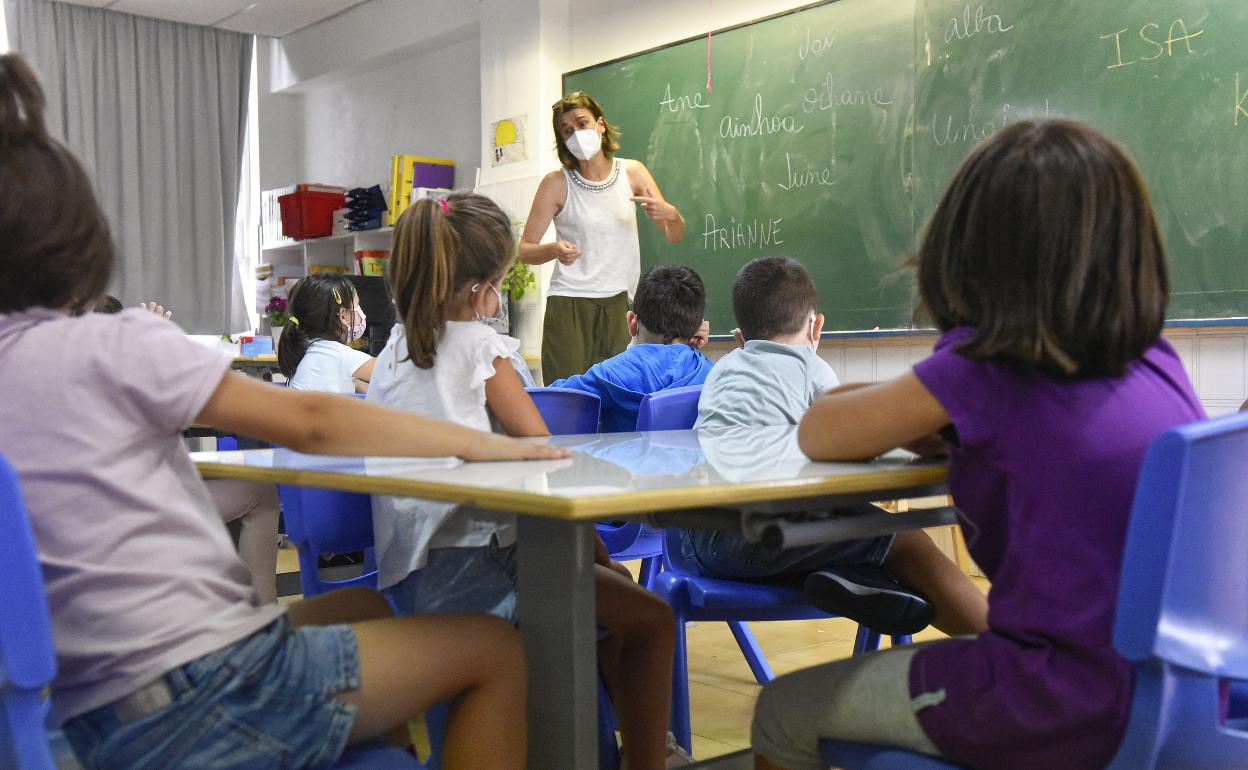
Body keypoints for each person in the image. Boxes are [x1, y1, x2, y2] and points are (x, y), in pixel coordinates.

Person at [0, 53, 569, 769]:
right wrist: (479, 445)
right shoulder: (114, 343)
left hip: (88, 723)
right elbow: (313, 423)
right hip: (217, 691)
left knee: (360, 611)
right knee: (493, 650)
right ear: (78, 243)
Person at [750, 120, 1206, 770]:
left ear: (968, 253)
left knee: (781, 712)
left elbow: (819, 428)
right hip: (1183, 690)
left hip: (1056, 703)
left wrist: (928, 409)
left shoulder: (985, 368)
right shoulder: (1155, 359)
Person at [370, 192, 684, 769]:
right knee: (649, 619)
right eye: (499, 284)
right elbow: (548, 464)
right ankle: (650, 761)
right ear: (479, 291)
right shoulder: (481, 350)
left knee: (611, 609)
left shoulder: (390, 355)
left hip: (412, 575)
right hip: (485, 572)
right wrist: (603, 560)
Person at [687, 256, 988, 636]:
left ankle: (851, 576)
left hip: (691, 535)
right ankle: (1008, 658)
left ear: (738, 338)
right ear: (816, 324)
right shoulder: (812, 370)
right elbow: (851, 444)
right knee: (902, 539)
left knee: (847, 534)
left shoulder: (723, 368)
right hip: (753, 535)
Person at [95, 296, 282, 603]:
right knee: (260, 493)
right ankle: (263, 613)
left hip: (97, 516)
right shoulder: (114, 381)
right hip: (129, 516)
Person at [521, 91, 686, 384]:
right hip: (570, 303)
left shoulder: (632, 172)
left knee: (622, 395)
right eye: (567, 130)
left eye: (582, 123)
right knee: (569, 399)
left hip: (622, 303)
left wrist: (670, 213)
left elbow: (674, 235)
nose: (576, 133)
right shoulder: (556, 184)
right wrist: (553, 249)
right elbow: (525, 250)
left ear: (600, 124)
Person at [549, 265, 714, 432]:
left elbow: (547, 401)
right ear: (696, 325)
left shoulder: (610, 374)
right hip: (692, 458)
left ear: (631, 322)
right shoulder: (711, 373)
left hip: (623, 458)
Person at [278, 271, 376, 393]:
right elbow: (391, 372)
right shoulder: (336, 353)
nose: (360, 312)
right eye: (357, 305)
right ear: (343, 316)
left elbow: (350, 383)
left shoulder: (307, 347)